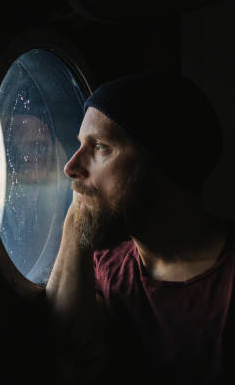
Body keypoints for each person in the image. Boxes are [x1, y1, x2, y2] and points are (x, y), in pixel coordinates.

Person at [45, 73, 233, 384]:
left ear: (161, 161)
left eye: (100, 147)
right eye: (80, 145)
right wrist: (80, 207)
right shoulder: (106, 267)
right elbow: (71, 346)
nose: (70, 167)